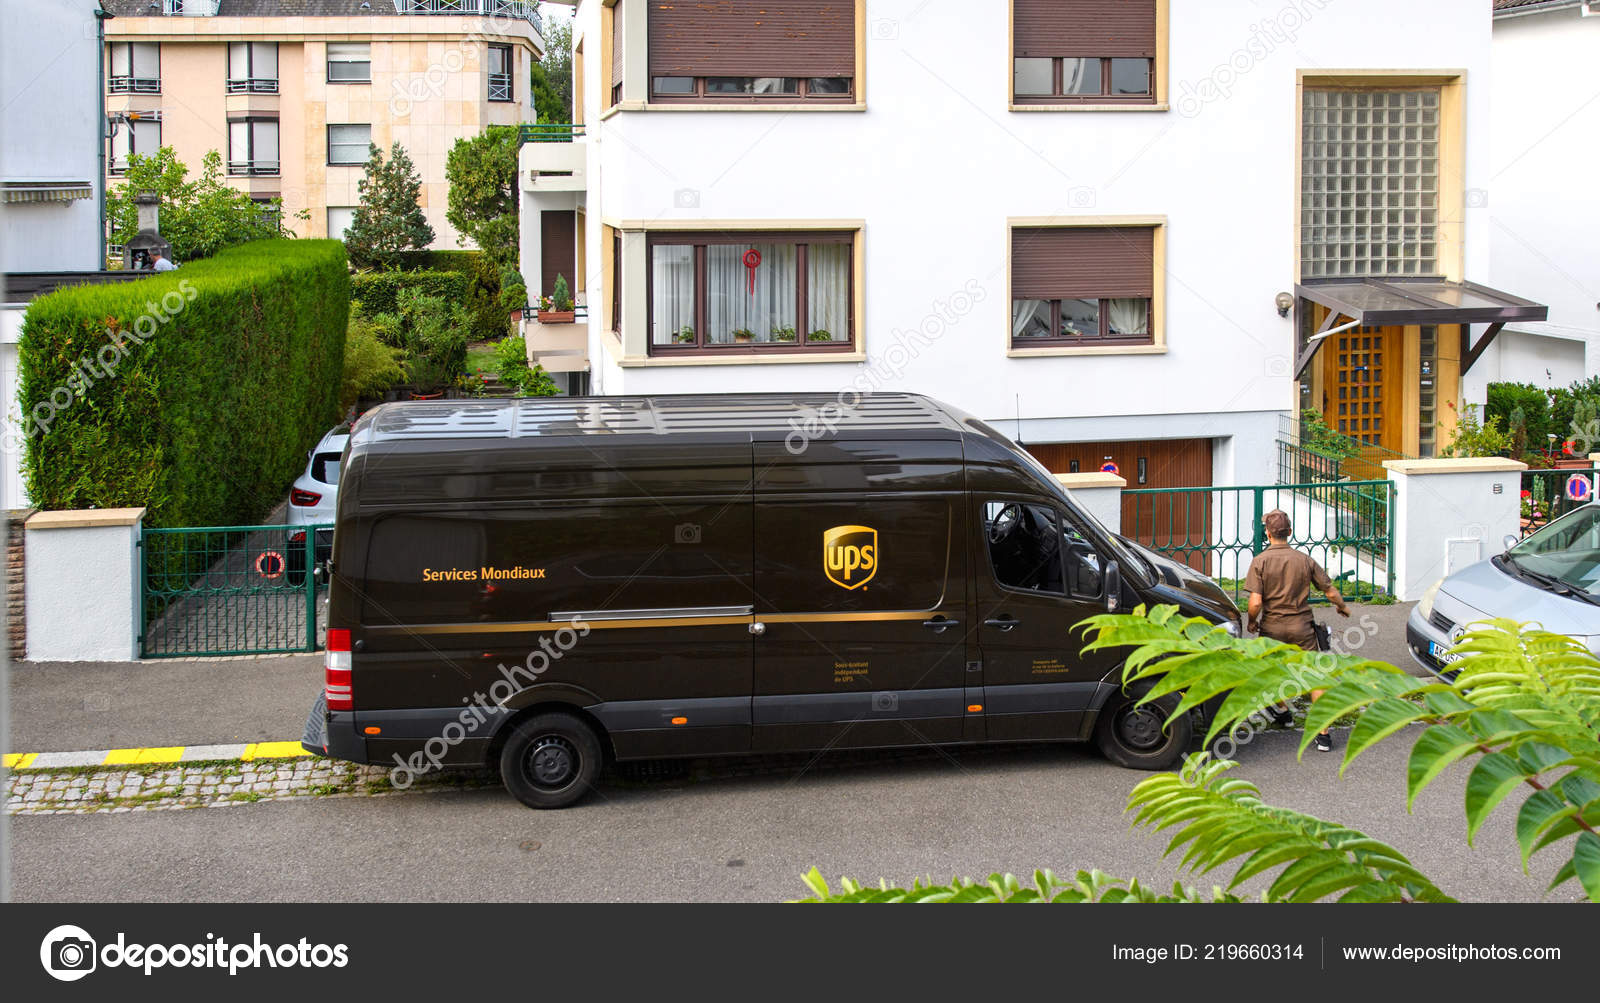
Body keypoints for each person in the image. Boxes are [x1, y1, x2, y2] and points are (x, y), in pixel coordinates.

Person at [1244, 509, 1350, 751]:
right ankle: (1323, 734)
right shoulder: (1304, 560)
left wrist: (1252, 621)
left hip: (1272, 628)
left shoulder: (1259, 561)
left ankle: (1282, 711)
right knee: (1314, 676)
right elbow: (1330, 591)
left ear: (1267, 534)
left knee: (1270, 673)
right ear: (1289, 532)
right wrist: (1342, 607)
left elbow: (1256, 602)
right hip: (1302, 627)